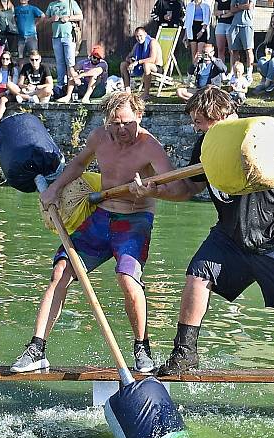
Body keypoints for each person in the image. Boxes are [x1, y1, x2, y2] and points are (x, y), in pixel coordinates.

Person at [127, 85, 274, 383]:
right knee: (199, 273)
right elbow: (187, 188)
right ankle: (184, 353)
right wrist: (153, 190)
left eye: (198, 121)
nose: (194, 128)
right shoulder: (206, 144)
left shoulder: (259, 138)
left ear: (216, 116)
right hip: (233, 233)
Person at [11, 92, 175, 374]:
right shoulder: (100, 137)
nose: (121, 130)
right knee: (61, 270)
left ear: (139, 116)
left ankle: (141, 347)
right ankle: (37, 348)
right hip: (101, 218)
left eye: (126, 123)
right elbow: (77, 165)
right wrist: (54, 189)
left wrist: (151, 189)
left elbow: (174, 186)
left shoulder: (151, 146)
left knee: (127, 278)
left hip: (134, 220)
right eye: (115, 124)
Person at [46, 0, 82, 89]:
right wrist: (52, 19)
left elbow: (80, 16)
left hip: (69, 37)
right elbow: (45, 19)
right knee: (59, 63)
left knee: (70, 63)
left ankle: (73, 85)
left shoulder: (71, 2)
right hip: (56, 37)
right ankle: (60, 85)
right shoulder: (52, 4)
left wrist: (68, 18)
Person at [120, 26, 162, 101]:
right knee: (123, 64)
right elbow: (128, 57)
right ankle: (127, 91)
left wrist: (137, 62)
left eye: (140, 36)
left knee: (146, 65)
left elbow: (152, 59)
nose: (139, 38)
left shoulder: (152, 42)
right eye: (137, 36)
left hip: (156, 67)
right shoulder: (137, 45)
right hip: (142, 66)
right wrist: (131, 61)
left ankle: (146, 93)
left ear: (145, 34)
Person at [228, 0, 255, 80]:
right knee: (234, 51)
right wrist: (243, 6)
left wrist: (238, 6)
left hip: (247, 25)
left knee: (248, 50)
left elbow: (249, 6)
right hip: (235, 25)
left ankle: (249, 73)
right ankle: (234, 72)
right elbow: (232, 9)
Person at [184, 0, 211, 65]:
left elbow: (207, 19)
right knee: (194, 53)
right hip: (192, 28)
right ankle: (194, 71)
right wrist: (186, 35)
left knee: (200, 53)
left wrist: (202, 31)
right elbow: (187, 21)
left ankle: (201, 70)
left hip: (202, 28)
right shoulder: (190, 5)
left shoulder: (206, 5)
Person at [214, 0, 235, 74]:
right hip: (220, 24)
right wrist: (225, 11)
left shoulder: (232, 0)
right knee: (220, 49)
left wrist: (221, 15)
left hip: (230, 24)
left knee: (231, 50)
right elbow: (215, 12)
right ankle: (222, 71)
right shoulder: (217, 0)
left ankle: (232, 71)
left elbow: (232, 12)